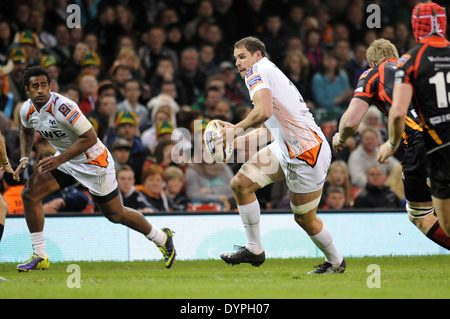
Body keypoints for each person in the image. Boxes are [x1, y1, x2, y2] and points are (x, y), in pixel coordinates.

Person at [14, 66, 175, 271]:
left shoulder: (64, 107)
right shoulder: (26, 109)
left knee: (116, 215)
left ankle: (162, 238)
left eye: (44, 85)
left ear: (50, 86)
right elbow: (26, 131)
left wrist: (59, 159)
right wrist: (25, 157)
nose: (40, 90)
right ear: (27, 90)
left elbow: (90, 138)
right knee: (29, 193)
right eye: (35, 86)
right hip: (66, 160)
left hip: (93, 161)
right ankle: (40, 255)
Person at [217, 37, 345, 274]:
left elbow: (263, 112)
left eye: (242, 56)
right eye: (235, 58)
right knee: (241, 184)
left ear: (257, 55)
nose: (237, 63)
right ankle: (254, 250)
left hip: (306, 154)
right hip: (286, 146)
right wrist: (235, 142)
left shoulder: (257, 71)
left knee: (305, 219)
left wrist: (235, 129)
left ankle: (336, 262)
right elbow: (271, 128)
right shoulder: (268, 71)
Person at [335, 36, 450, 250]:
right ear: (396, 57)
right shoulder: (418, 65)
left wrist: (340, 137)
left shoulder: (372, 74)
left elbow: (350, 121)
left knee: (420, 214)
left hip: (421, 142)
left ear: (371, 63)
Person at [377, 1, 450, 242]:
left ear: (415, 27)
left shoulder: (409, 61)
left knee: (446, 223)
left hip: (439, 148)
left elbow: (398, 112)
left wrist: (392, 144)